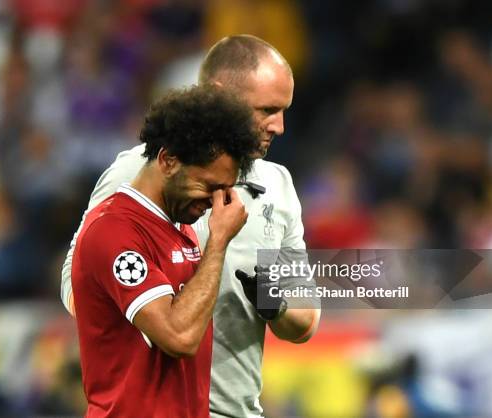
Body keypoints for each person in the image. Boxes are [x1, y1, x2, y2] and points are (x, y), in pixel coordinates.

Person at [63, 35, 321, 417]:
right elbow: (77, 285)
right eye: (267, 109)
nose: (279, 126)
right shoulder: (141, 172)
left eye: (284, 110)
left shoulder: (277, 186)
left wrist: (273, 301)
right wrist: (153, 308)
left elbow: (305, 319)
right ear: (221, 95)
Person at [72, 85, 259, 417]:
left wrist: (280, 301)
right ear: (168, 160)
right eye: (210, 187)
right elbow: (180, 337)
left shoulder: (181, 224)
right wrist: (217, 243)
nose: (216, 202)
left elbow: (303, 323)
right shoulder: (113, 230)